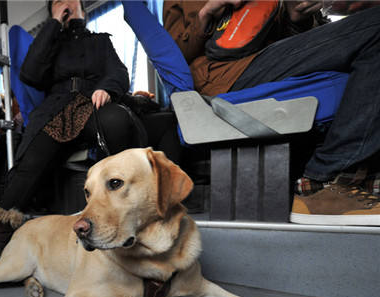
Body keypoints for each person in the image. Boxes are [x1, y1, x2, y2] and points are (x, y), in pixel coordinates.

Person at [163, 1, 380, 225]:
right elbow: (172, 54)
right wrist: (205, 16)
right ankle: (323, 182)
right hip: (225, 74)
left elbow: (301, 44)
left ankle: (361, 178)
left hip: (271, 59)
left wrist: (296, 18)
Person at [0, 0, 141, 270]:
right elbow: (30, 75)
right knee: (28, 164)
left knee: (115, 121)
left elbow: (118, 72)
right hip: (57, 109)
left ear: (83, 9)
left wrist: (107, 88)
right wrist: (54, 24)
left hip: (94, 103)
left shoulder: (100, 41)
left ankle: (121, 220)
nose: (66, 3)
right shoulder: (50, 41)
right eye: (58, 2)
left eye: (72, 1)